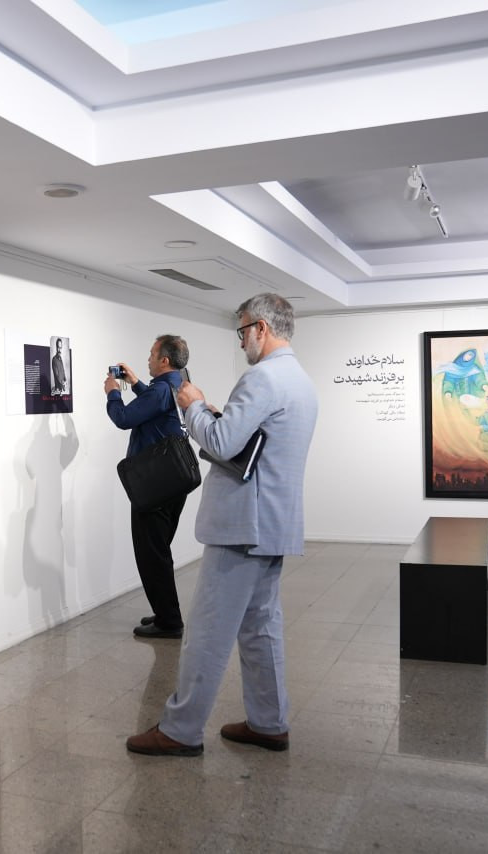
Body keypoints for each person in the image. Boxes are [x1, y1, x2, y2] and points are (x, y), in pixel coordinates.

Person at [126, 293, 318, 757]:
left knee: (209, 631)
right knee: (260, 627)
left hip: (242, 528)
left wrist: (195, 406)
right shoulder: (299, 379)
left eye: (242, 331)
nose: (241, 341)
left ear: (262, 328)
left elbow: (222, 443)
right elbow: (253, 444)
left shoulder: (262, 378)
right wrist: (215, 417)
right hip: (272, 524)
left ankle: (180, 729)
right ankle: (269, 722)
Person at [104, 334, 191, 639]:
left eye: (152, 355)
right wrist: (137, 384)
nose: (148, 359)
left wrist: (113, 393)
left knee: (152, 554)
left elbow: (124, 418)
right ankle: (166, 612)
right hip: (175, 481)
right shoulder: (179, 384)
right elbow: (157, 405)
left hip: (155, 487)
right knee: (159, 550)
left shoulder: (161, 390)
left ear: (164, 360)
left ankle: (169, 621)